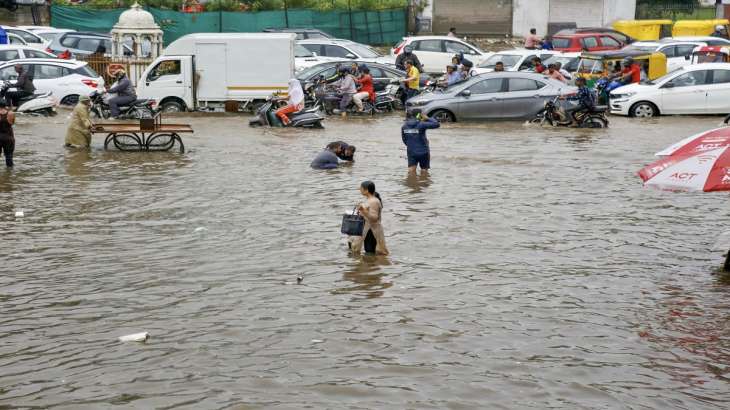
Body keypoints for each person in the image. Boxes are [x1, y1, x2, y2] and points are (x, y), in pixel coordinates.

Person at [348, 181, 389, 255]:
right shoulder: (370, 200)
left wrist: (363, 210)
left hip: (372, 231)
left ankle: (372, 265)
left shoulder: (373, 201)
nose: (359, 189)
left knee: (370, 252)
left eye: (361, 188)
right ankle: (372, 264)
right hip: (368, 230)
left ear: (366, 190)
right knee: (369, 251)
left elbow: (374, 218)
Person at [402, 108, 440, 174]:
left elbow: (404, 139)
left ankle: (411, 183)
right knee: (424, 172)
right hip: (424, 151)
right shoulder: (421, 124)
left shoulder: (404, 126)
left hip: (411, 151)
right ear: (420, 115)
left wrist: (411, 145)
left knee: (411, 171)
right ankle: (422, 183)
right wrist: (428, 118)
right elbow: (436, 124)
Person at [0, 99, 15, 168]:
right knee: (9, 156)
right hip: (8, 137)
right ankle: (9, 174)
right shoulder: (11, 113)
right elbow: (12, 123)